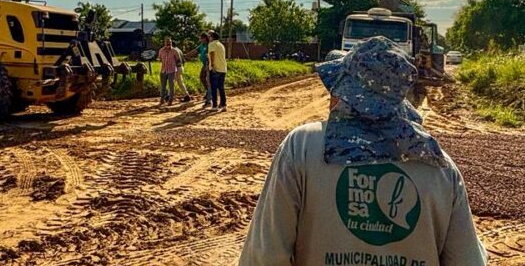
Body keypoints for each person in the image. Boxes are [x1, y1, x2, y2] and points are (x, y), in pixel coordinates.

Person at [239, 36, 487, 266]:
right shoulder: (439, 166)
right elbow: (469, 260)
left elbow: (264, 257)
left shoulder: (301, 147)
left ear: (345, 93)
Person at [186, 32, 212, 108]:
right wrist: (187, 55)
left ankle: (209, 96)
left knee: (208, 80)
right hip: (204, 64)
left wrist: (208, 64)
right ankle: (208, 91)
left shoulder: (209, 45)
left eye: (201, 38)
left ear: (205, 38)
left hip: (209, 64)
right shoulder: (202, 45)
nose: (200, 39)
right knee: (202, 77)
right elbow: (195, 51)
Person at [207, 30, 227, 111]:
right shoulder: (221, 45)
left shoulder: (211, 44)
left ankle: (214, 106)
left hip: (215, 68)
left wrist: (212, 65)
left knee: (214, 88)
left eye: (210, 36)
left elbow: (212, 54)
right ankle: (223, 105)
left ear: (212, 37)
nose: (209, 38)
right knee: (221, 88)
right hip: (223, 68)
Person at [158, 37, 178, 106]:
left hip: (172, 70)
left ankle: (170, 100)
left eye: (170, 42)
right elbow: (160, 59)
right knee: (163, 86)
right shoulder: (161, 50)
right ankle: (162, 100)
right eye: (167, 42)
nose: (169, 44)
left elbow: (178, 59)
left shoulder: (174, 51)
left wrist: (175, 66)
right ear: (164, 43)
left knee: (171, 86)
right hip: (163, 70)